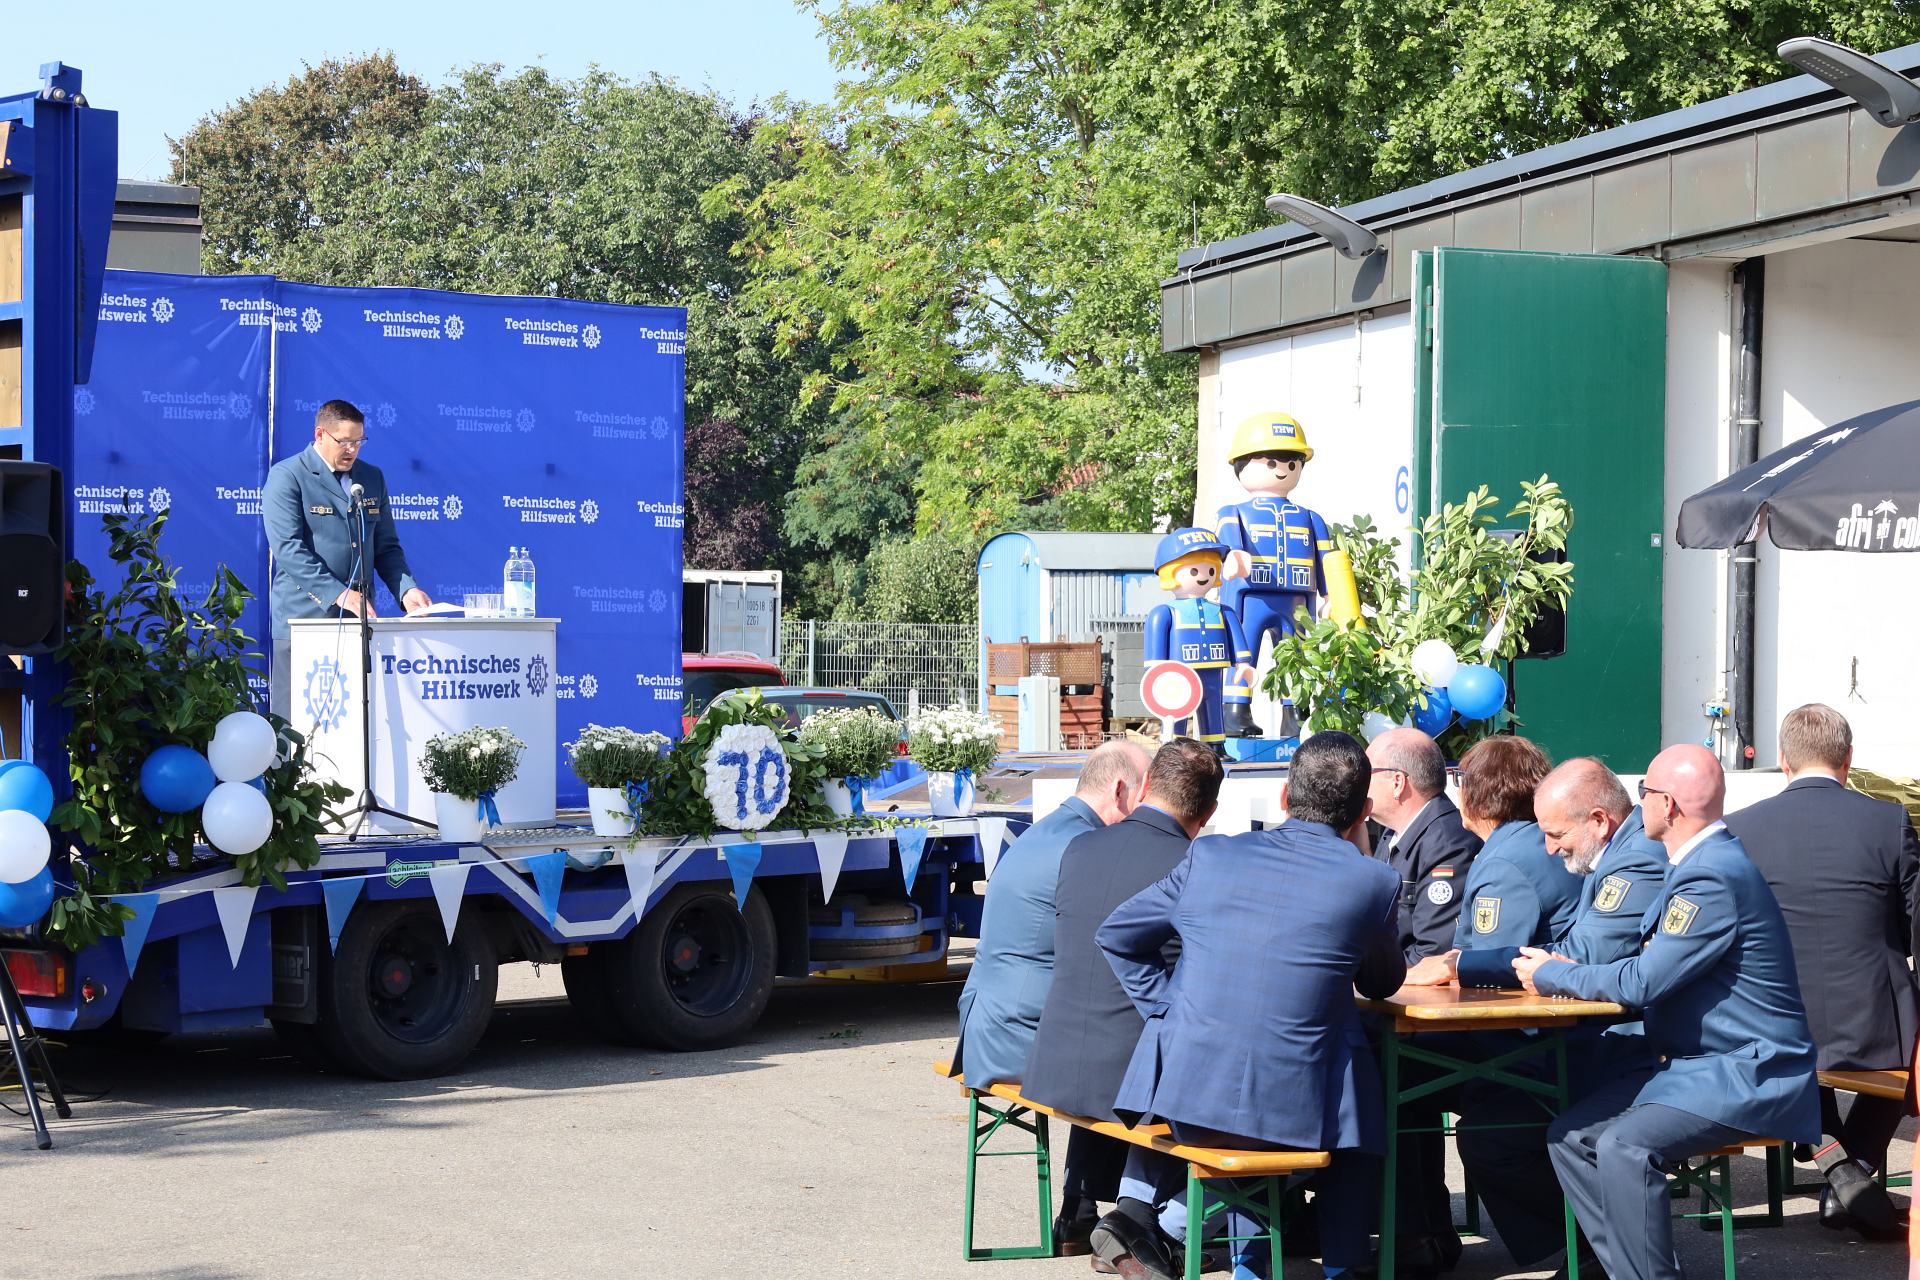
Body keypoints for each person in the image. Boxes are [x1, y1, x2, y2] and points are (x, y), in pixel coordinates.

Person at [1091, 732, 1405, 1280]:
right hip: (1297, 1108)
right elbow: (1382, 982)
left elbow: (1119, 934)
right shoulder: (1372, 878)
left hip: (1188, 1097)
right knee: (1359, 1119)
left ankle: (1248, 1264)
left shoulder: (1210, 855)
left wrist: (1169, 1010)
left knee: (1296, 1112)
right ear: (1365, 811)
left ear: (1284, 797)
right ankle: (1344, 1267)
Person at [1516, 745, 1820, 1280]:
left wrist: (1552, 973)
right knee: (1570, 1136)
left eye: (1645, 793)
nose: (1639, 806)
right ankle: (1628, 1272)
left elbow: (1642, 980)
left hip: (1747, 1071)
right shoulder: (1699, 864)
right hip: (1698, 1064)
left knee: (1624, 1147)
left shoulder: (1710, 875)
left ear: (1669, 805)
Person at [1406, 759, 1668, 1274]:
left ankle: (1601, 1250)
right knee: (1479, 1121)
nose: (1549, 847)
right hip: (1593, 1036)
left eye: (1555, 833)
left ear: (1598, 821)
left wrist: (1461, 963)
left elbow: (1579, 956)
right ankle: (1590, 1250)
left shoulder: (1634, 860)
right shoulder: (1615, 852)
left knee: (1492, 1129)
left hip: (1624, 1047)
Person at [1724, 703, 1920, 1239]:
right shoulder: (1888, 820)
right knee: (1911, 1036)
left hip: (1774, 1024)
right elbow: (1913, 923)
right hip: (1878, 1020)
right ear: (1848, 759)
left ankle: (1837, 1165)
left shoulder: (1738, 829)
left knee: (1793, 1057)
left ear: (1783, 761)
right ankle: (1851, 1169)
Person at [1021, 739, 1223, 1258]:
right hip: (1127, 1081)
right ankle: (1152, 1227)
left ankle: (1083, 1211)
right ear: (1210, 810)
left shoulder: (1081, 846)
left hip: (1054, 1062)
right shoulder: (1197, 862)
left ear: (1147, 787)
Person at [1390, 734, 1580, 1269]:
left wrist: (1446, 965)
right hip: (1539, 1037)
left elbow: (1494, 965)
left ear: (1475, 795)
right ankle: (1418, 1235)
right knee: (1400, 1079)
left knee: (1390, 1080)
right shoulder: (1524, 846)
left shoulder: (1504, 861)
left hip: (1527, 1047)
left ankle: (1418, 1237)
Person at [948, 739, 1150, 1094]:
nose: (1149, 811)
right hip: (1017, 1036)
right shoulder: (1084, 847)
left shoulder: (1049, 830)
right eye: (1145, 796)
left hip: (988, 1024)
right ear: (1120, 790)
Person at [263, 399, 432, 720]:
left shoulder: (371, 478)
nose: (352, 450)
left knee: (351, 724)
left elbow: (386, 548)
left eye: (359, 442)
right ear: (320, 434)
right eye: (345, 441)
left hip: (357, 625)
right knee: (295, 724)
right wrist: (339, 594)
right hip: (305, 622)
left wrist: (406, 589)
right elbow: (288, 550)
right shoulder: (288, 476)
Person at [1213, 412, 1331, 738]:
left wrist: (1330, 594)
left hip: (1297, 599)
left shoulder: (1310, 517)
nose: (1282, 469)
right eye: (1272, 462)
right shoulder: (1233, 513)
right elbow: (1228, 545)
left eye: (1291, 462)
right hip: (1250, 597)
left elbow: (1326, 558)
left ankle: (1295, 713)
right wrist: (1234, 556)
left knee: (1297, 658)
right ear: (1243, 463)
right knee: (1243, 653)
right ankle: (1235, 712)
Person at [1366, 727, 1482, 964]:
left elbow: (1434, 953)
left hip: (1409, 995)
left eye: (1367, 772)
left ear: (1397, 782)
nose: (1359, 782)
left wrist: (1364, 977)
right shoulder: (1394, 833)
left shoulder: (1447, 842)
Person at [1143, 529, 1257, 749]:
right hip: (1178, 675)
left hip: (1214, 671)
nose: (1203, 575)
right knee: (1176, 708)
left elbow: (1236, 638)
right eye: (1194, 570)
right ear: (1171, 572)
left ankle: (1215, 745)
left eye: (1211, 569)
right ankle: (1173, 748)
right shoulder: (1164, 613)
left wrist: (1243, 665)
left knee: (1212, 707)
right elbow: (1155, 656)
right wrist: (1157, 676)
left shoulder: (1223, 611)